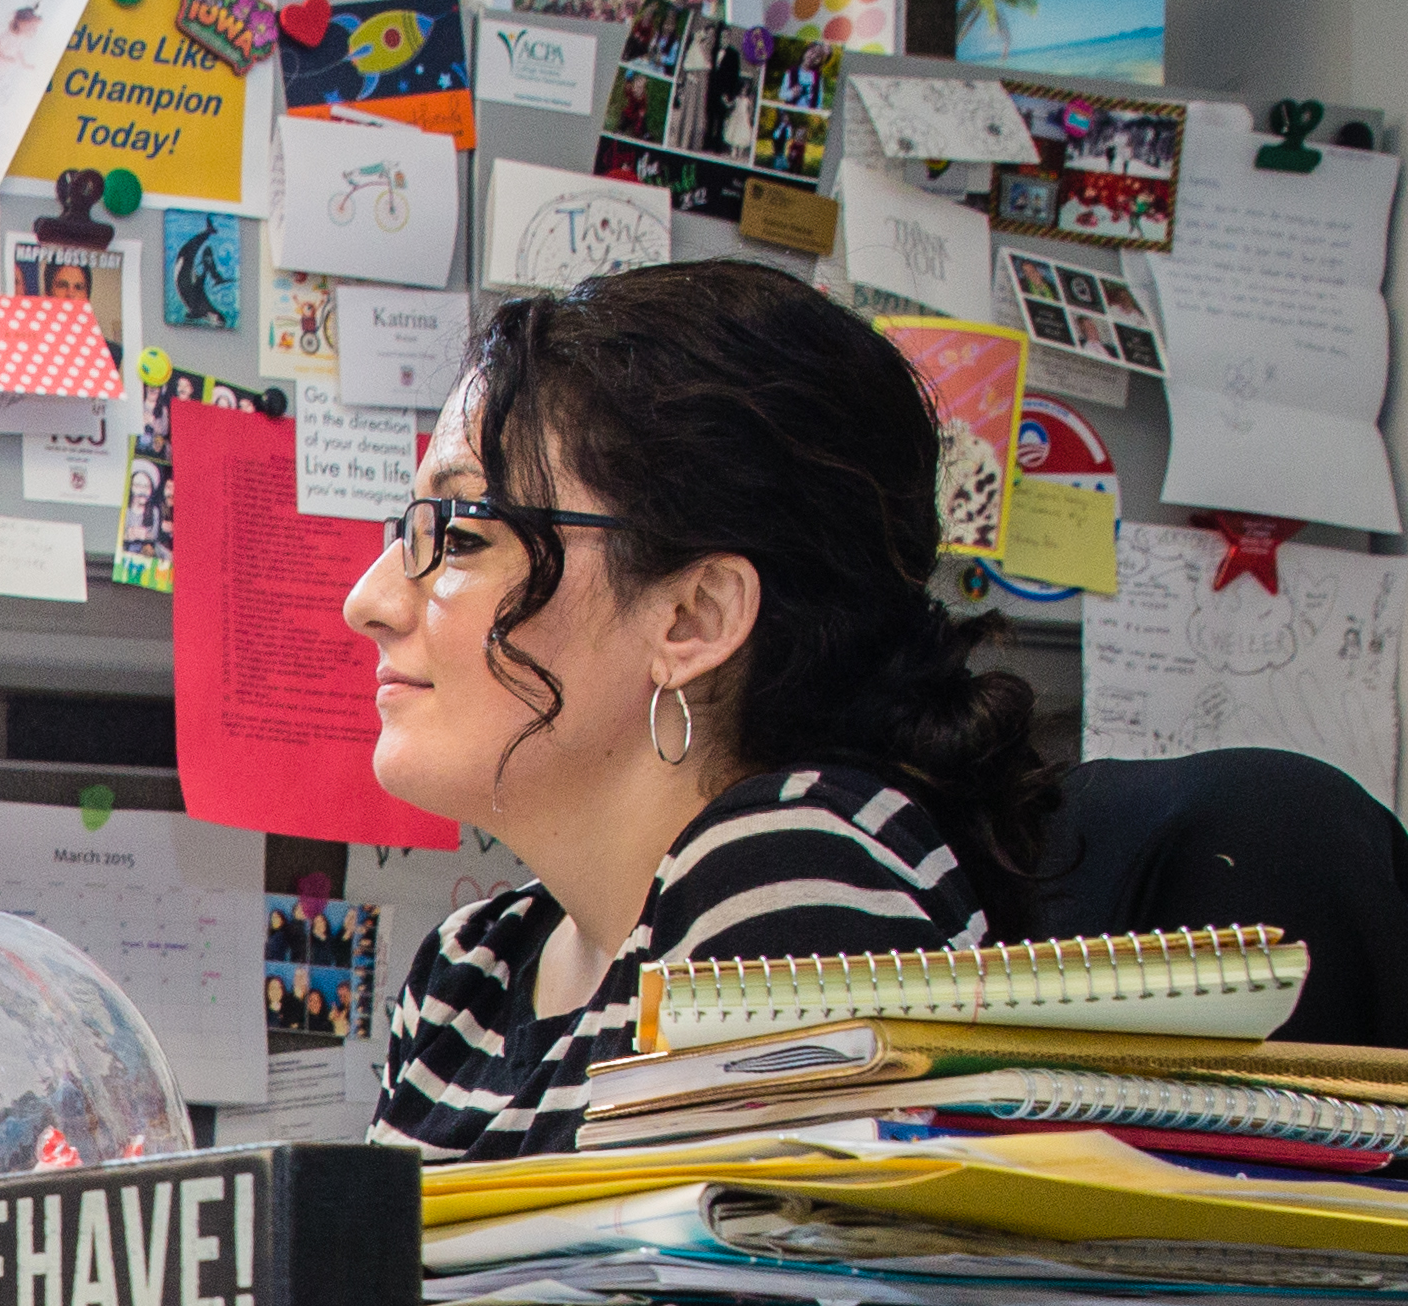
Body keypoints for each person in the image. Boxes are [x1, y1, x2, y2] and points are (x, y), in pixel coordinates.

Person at [342, 261, 1051, 1158]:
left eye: (465, 536)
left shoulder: (788, 885)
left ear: (692, 617)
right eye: (410, 532)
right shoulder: (467, 971)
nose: (367, 600)